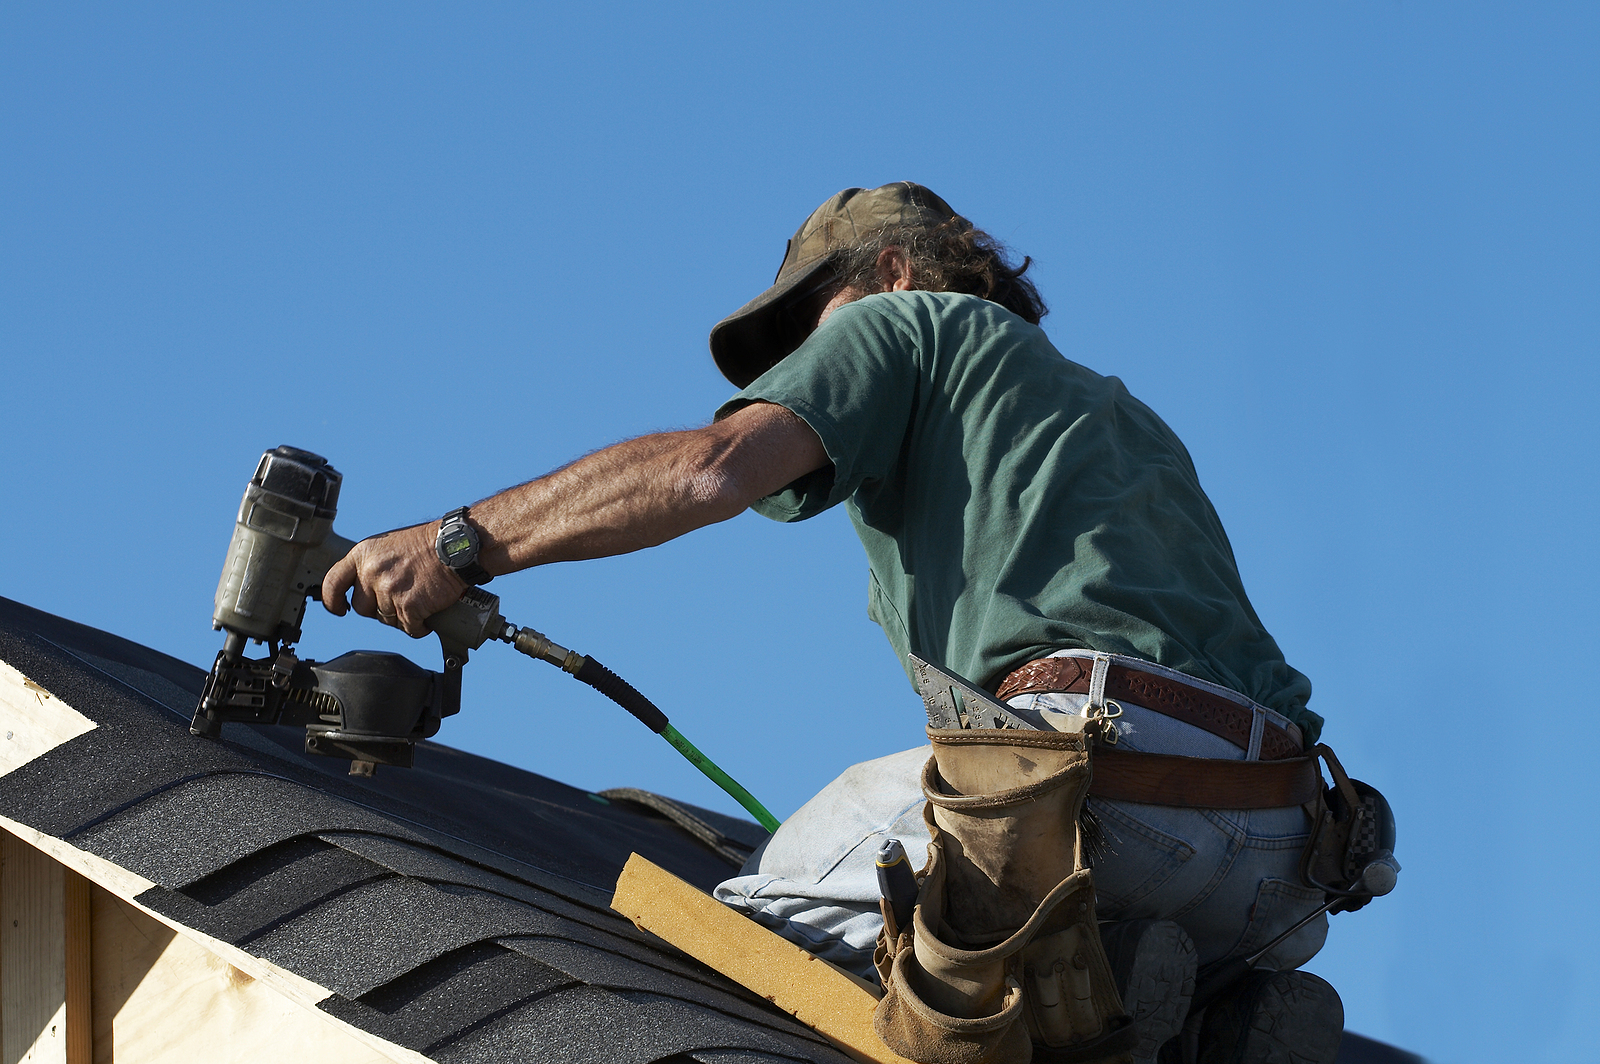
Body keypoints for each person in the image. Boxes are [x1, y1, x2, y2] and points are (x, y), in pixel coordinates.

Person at [323, 183, 1346, 1064]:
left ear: (893, 270)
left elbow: (705, 470)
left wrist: (456, 544)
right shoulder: (1118, 419)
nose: (804, 356)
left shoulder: (909, 322)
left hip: (1092, 789)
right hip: (1281, 853)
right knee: (1094, 996)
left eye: (815, 319)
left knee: (746, 921)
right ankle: (1180, 1006)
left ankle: (1033, 963)